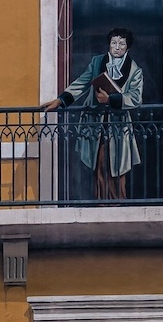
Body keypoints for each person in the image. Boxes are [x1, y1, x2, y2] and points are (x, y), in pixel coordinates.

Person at [42, 28, 144, 200]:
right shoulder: (97, 62)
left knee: (118, 169)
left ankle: (117, 207)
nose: (117, 47)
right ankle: (102, 204)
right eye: (113, 43)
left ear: (127, 48)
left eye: (121, 44)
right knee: (100, 166)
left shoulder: (135, 70)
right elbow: (82, 83)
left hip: (119, 128)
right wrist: (61, 100)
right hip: (96, 126)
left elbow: (135, 97)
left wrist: (110, 100)